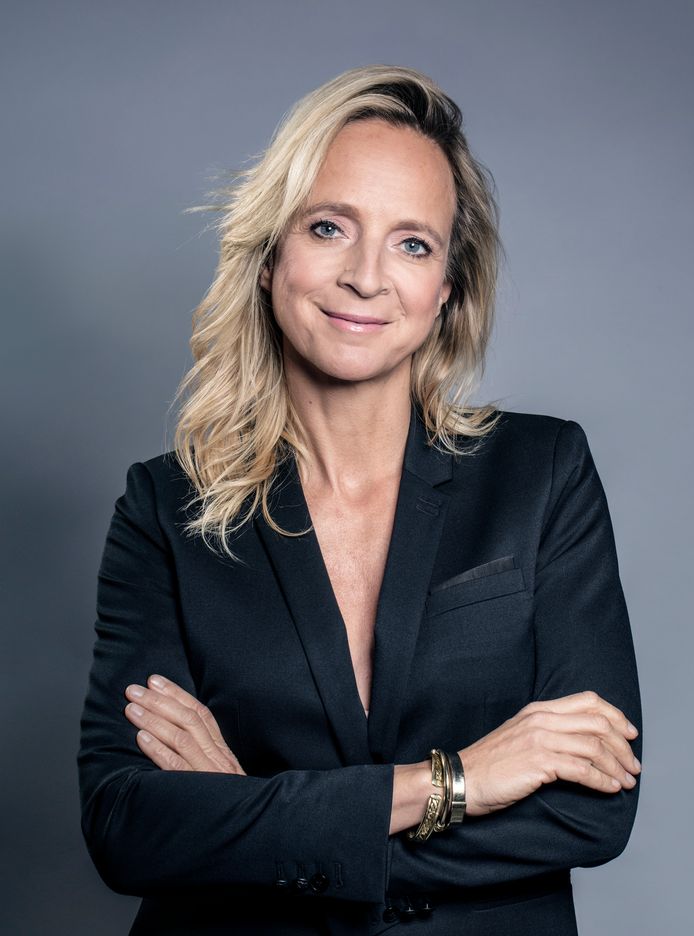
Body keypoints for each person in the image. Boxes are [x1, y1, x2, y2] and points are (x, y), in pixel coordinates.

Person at [77, 64, 642, 936]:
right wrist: (457, 781)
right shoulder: (165, 508)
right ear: (271, 253)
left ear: (447, 288)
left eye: (412, 244)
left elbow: (590, 810)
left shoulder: (543, 472)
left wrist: (257, 822)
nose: (366, 277)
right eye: (330, 227)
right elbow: (129, 828)